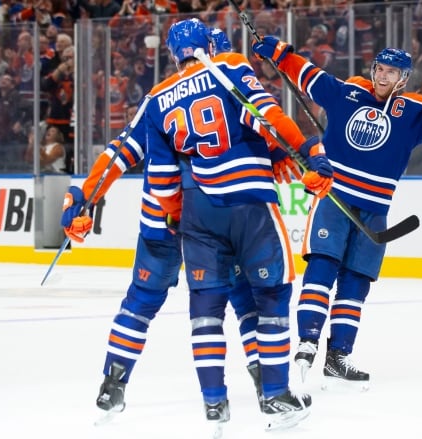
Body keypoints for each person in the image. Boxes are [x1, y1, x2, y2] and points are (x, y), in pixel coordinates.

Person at [60, 27, 309, 432]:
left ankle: (113, 383)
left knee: (143, 299)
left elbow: (118, 154)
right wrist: (288, 150)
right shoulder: (227, 74)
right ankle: (266, 379)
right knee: (245, 295)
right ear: (213, 50)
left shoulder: (158, 99)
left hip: (163, 216)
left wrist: (84, 197)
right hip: (206, 209)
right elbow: (260, 122)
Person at [252, 35, 422, 387]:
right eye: (379, 69)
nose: (383, 77)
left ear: (404, 78)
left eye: (392, 72)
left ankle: (338, 356)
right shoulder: (348, 93)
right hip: (334, 200)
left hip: (375, 211)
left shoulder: (413, 112)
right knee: (323, 265)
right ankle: (307, 340)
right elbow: (307, 75)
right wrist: (280, 54)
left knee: (356, 282)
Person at [143, 19, 332, 431]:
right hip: (249, 203)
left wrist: (178, 216)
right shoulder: (227, 65)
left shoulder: (157, 98)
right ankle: (275, 395)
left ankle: (214, 403)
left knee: (205, 308)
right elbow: (270, 116)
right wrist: (309, 153)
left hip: (198, 212)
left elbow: (161, 180)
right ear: (207, 45)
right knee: (272, 295)